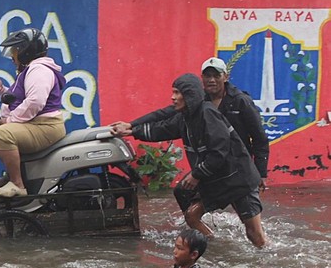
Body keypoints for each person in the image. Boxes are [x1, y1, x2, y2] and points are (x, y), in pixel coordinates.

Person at [114, 73, 267, 247]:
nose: (173, 97)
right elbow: (161, 128)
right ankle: (215, 247)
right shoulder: (185, 117)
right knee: (191, 213)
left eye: (177, 93)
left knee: (255, 235)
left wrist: (196, 175)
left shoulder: (208, 114)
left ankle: (269, 257)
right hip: (217, 178)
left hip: (238, 180)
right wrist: (131, 131)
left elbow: (219, 153)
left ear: (190, 95)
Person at [0, 27, 66, 198]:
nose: (12, 56)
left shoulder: (39, 70)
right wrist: (2, 91)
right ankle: (16, 172)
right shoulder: (30, 69)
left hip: (45, 126)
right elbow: (21, 99)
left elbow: (35, 102)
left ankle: (17, 184)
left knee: (1, 135)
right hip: (35, 124)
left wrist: (9, 121)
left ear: (26, 51)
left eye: (15, 51)